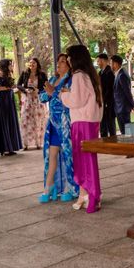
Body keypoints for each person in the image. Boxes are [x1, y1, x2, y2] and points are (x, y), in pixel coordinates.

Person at [61, 45, 103, 213]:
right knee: (89, 160)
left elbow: (76, 100)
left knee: (84, 160)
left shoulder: (79, 76)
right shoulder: (91, 75)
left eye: (70, 57)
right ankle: (91, 195)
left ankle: (92, 195)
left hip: (81, 122)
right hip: (91, 121)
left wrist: (64, 94)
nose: (69, 60)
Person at [39, 53, 77, 203]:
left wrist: (53, 92)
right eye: (58, 62)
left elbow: (68, 100)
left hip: (65, 122)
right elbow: (43, 97)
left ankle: (70, 187)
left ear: (69, 65)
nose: (59, 64)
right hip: (53, 123)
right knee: (51, 155)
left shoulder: (71, 80)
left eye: (63, 62)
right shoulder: (54, 79)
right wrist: (48, 91)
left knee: (68, 156)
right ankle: (49, 187)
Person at [17, 58, 48, 150]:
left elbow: (46, 85)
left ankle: (39, 143)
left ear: (37, 64)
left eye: (33, 63)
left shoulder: (42, 74)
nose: (31, 64)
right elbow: (18, 85)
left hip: (38, 100)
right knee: (26, 120)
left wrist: (39, 91)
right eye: (30, 63)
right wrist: (25, 90)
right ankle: (26, 144)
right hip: (27, 100)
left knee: (38, 120)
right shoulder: (25, 73)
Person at [0, 59, 22, 156]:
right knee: (4, 121)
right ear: (5, 65)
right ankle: (4, 147)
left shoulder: (8, 74)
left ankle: (10, 147)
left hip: (9, 98)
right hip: (2, 100)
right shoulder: (0, 74)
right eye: (10, 64)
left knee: (10, 121)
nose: (11, 66)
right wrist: (8, 88)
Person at [111, 55, 134, 134]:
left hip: (123, 108)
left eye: (112, 63)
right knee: (124, 131)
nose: (111, 65)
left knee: (126, 132)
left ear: (116, 64)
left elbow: (127, 91)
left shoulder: (122, 75)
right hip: (119, 108)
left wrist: (132, 104)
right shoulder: (118, 74)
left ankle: (129, 146)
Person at [97, 53, 116, 137]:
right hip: (102, 102)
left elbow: (109, 89)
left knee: (110, 125)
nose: (97, 63)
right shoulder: (100, 72)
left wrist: (104, 100)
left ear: (103, 61)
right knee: (103, 125)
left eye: (98, 61)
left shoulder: (109, 72)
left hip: (109, 103)